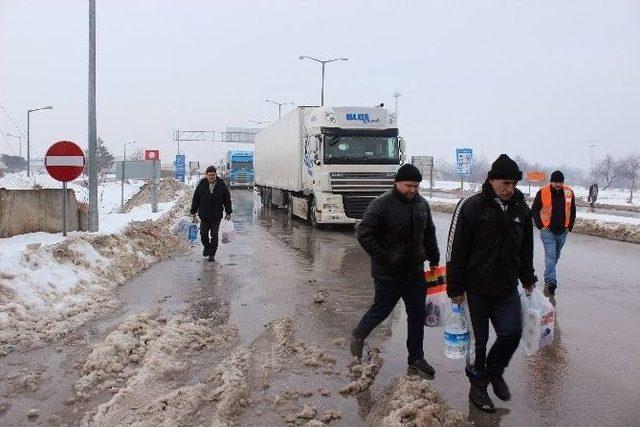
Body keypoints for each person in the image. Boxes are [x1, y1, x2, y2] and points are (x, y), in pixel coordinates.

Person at [446, 154, 537, 412]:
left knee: (512, 332)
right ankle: (478, 388)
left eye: (514, 184)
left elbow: (526, 249)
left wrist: (527, 278)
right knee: (478, 342)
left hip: (506, 287)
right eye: (506, 183)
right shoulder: (471, 206)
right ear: (491, 180)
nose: (510, 189)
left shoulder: (521, 210)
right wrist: (455, 288)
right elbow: (456, 249)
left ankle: (494, 371)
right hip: (475, 289)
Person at [351, 163, 440, 379]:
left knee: (417, 316)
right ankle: (359, 335)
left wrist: (434, 259)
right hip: (388, 275)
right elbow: (364, 233)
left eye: (417, 186)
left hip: (415, 274)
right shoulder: (381, 204)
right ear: (397, 183)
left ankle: (416, 358)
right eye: (409, 185)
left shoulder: (422, 205)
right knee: (380, 311)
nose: (413, 190)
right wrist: (385, 258)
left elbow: (429, 233)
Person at [531, 170, 576, 295]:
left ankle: (548, 273)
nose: (557, 184)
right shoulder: (543, 192)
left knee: (555, 255)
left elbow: (572, 210)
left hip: (563, 231)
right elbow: (534, 210)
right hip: (547, 230)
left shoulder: (569, 192)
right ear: (551, 181)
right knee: (551, 255)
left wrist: (569, 227)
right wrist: (540, 226)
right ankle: (551, 281)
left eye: (560, 182)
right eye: (555, 181)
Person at [190, 166, 232, 262]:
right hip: (204, 215)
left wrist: (228, 212)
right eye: (210, 175)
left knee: (214, 235)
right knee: (203, 234)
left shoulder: (222, 185)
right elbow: (196, 199)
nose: (212, 177)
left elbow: (227, 199)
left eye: (213, 175)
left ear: (216, 174)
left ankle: (212, 254)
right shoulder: (201, 185)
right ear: (206, 175)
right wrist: (193, 212)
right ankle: (206, 247)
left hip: (216, 216)